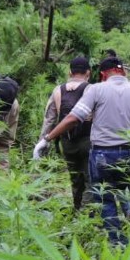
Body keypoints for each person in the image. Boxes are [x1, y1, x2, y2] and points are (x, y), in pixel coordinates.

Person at [37, 56, 130, 246]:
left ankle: (117, 242)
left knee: (105, 198)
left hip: (101, 154)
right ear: (123, 71)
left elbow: (74, 118)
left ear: (102, 74)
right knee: (126, 191)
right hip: (127, 152)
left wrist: (47, 138)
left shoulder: (97, 89)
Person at [35, 56, 94, 210]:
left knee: (75, 178)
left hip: (66, 142)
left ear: (69, 72)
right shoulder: (91, 89)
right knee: (90, 178)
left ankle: (76, 208)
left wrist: (43, 141)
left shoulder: (57, 90)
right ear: (88, 72)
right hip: (89, 140)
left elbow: (49, 119)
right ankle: (86, 214)